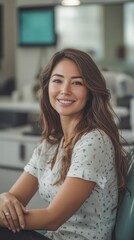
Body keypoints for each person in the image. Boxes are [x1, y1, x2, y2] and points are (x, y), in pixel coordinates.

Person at [0, 48, 129, 240]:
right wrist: (4, 199)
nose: (65, 90)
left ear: (90, 91)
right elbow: (15, 197)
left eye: (77, 82)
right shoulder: (51, 144)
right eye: (57, 80)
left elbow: (52, 218)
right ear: (46, 87)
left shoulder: (94, 141)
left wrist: (4, 215)